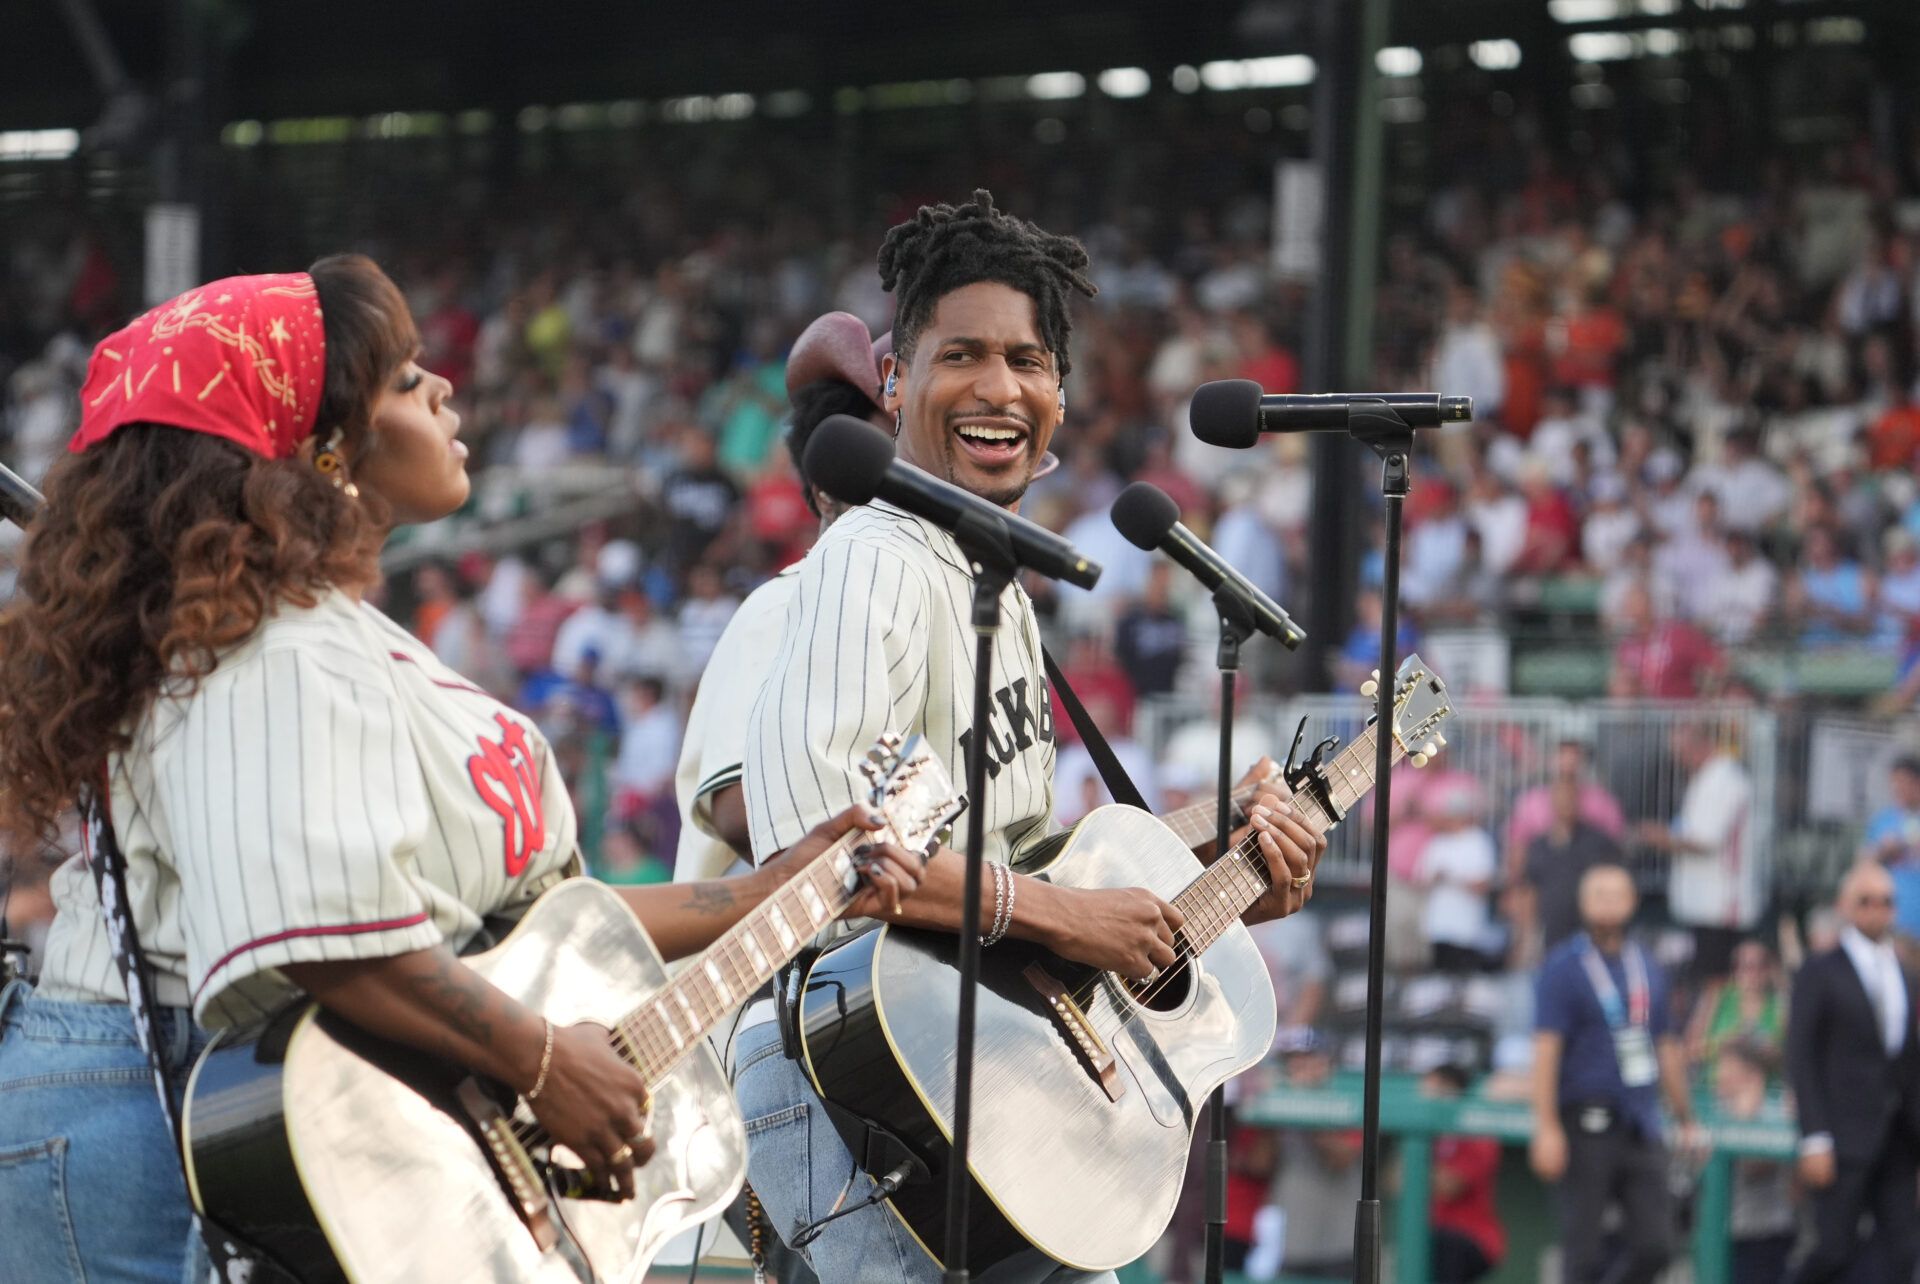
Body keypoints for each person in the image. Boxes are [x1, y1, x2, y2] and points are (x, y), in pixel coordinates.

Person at [0, 261, 928, 1284]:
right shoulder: (268, 648)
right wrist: (538, 1059)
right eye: (402, 380)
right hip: (150, 1127)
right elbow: (321, 936)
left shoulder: (331, 637)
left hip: (241, 1123)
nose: (443, 389)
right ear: (318, 450)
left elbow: (527, 926)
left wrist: (765, 889)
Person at [736, 190, 1326, 1283]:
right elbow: (819, 864)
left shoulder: (996, 579)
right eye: (962, 354)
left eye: (1029, 359)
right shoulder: (873, 556)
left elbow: (1009, 871)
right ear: (897, 382)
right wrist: (1070, 915)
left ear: (1062, 391)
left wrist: (1224, 861)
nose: (1001, 387)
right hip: (847, 1092)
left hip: (975, 1079)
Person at [1530, 865, 1697, 1284]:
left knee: (1657, 1246)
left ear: (1632, 901)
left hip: (1641, 1121)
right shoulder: (1564, 966)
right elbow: (1547, 1049)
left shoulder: (1649, 966)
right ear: (1582, 903)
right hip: (1586, 1122)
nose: (1606, 901)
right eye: (1596, 893)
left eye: (1614, 893)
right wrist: (1545, 1126)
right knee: (1582, 1251)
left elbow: (1667, 1046)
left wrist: (1686, 1118)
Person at [1784, 862, 1920, 1283]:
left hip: (1898, 1136)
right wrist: (1814, 1136)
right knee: (1832, 1249)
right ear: (1844, 906)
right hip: (1842, 1135)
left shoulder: (1906, 974)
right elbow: (1800, 1054)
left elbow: (1907, 1059)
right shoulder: (1820, 971)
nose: (1877, 910)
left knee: (1904, 1251)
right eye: (1865, 900)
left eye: (1886, 901)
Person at [1636, 723, 1761, 984]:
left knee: (1715, 983)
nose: (1678, 760)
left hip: (1722, 903)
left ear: (1698, 745)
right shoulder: (1707, 778)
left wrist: (1659, 837)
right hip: (1705, 904)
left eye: (1681, 752)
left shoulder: (1724, 779)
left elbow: (1705, 840)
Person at [1712, 1038, 1796, 1284]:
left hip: (1764, 1233)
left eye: (1727, 1067)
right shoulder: (1713, 1109)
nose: (1719, 1075)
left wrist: (1747, 1113)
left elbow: (1755, 1166)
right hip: (1720, 1235)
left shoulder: (1774, 1111)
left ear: (1750, 1073)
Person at [1423, 1063, 1506, 1284]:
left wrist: (1421, 1170)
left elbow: (1451, 1186)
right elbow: (1393, 1179)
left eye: (1436, 1088)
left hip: (1473, 1239)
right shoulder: (1424, 1136)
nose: (1427, 1096)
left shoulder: (1478, 1133)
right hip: (1429, 1233)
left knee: (1446, 1245)